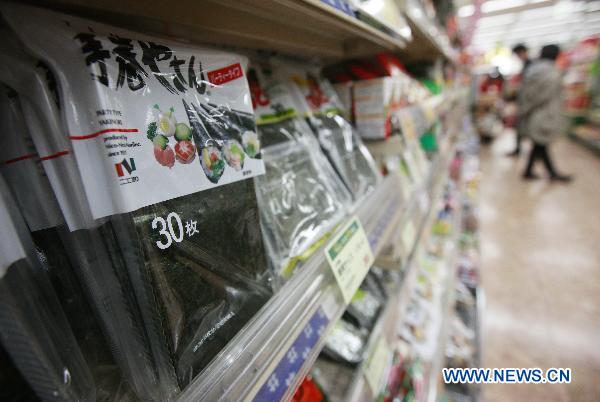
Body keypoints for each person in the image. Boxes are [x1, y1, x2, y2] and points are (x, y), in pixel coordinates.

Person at [520, 44, 572, 182]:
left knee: (539, 143)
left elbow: (527, 93)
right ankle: (552, 173)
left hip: (534, 113)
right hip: (545, 114)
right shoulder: (552, 72)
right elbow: (545, 96)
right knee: (541, 143)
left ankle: (531, 171)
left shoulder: (532, 70)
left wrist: (526, 109)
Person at [507, 43, 532, 156]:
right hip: (524, 102)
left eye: (517, 54)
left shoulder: (530, 65)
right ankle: (518, 149)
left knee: (525, 128)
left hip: (527, 103)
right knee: (520, 127)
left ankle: (519, 150)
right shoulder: (526, 65)